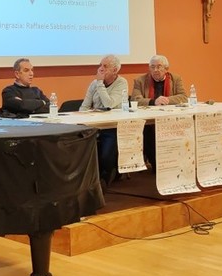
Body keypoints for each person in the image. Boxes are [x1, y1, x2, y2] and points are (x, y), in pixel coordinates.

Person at [79, 54, 129, 186]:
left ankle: (105, 179)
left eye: (105, 66)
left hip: (112, 126)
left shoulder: (121, 83)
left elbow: (109, 104)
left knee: (106, 155)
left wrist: (100, 84)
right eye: (100, 65)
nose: (100, 69)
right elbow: (84, 106)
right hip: (95, 125)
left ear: (114, 70)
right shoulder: (94, 84)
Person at [130, 54, 188, 168]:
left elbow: (183, 97)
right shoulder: (140, 81)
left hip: (170, 118)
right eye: (152, 67)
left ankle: (175, 162)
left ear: (166, 69)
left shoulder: (175, 79)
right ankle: (156, 164)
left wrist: (167, 100)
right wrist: (153, 101)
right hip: (149, 120)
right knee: (146, 131)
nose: (155, 70)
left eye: (159, 66)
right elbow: (135, 100)